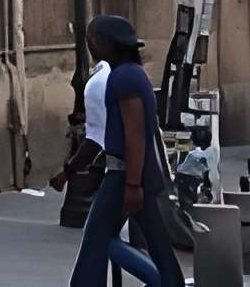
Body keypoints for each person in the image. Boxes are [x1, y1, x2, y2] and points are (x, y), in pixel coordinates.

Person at [71, 16, 184, 287]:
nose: (90, 45)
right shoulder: (130, 75)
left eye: (94, 40)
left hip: (126, 175)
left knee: (99, 237)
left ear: (110, 44)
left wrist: (133, 185)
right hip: (127, 173)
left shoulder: (125, 78)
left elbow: (135, 134)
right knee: (145, 241)